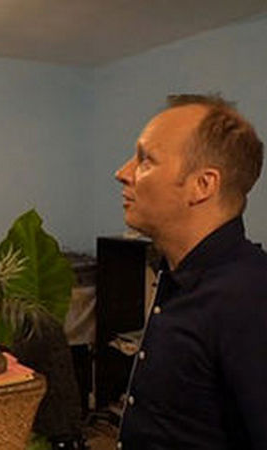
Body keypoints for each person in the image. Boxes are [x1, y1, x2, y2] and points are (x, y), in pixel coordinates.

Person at [114, 94, 267, 449]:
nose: (122, 173)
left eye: (146, 160)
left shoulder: (251, 298)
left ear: (203, 185)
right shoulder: (175, 277)